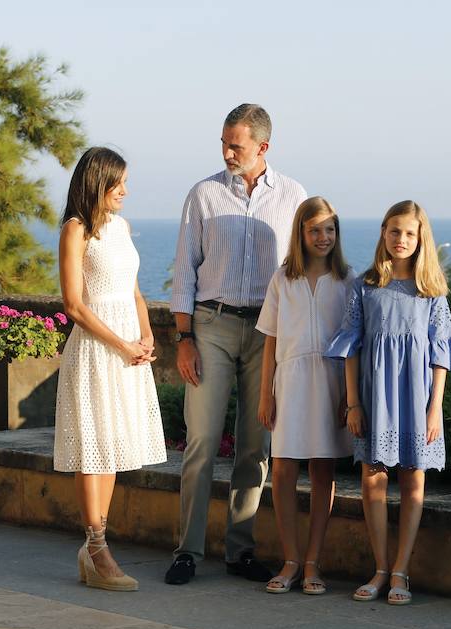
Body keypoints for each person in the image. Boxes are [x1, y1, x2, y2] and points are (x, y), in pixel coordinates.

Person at [166, 104, 307, 585]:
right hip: (212, 326)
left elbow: (302, 269)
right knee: (202, 441)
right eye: (224, 142)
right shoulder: (203, 194)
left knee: (255, 445)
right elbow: (184, 271)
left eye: (237, 145)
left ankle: (240, 551)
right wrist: (183, 339)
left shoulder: (293, 196)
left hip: (268, 335)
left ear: (263, 148)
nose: (227, 152)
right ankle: (187, 549)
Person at [325, 200, 451, 605]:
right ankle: (380, 569)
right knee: (372, 477)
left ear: (421, 237)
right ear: (383, 235)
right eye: (393, 231)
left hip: (417, 397)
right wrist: (354, 403)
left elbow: (441, 354)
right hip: (375, 397)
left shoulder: (432, 292)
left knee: (413, 479)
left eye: (409, 233)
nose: (400, 240)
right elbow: (350, 346)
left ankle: (402, 572)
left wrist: (435, 407)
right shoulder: (366, 285)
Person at [53, 147, 167, 591]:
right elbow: (74, 306)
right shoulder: (75, 230)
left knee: (115, 447)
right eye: (117, 182)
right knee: (94, 447)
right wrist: (121, 343)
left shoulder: (120, 228)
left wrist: (147, 337)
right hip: (96, 350)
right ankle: (96, 546)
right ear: (97, 182)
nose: (125, 190)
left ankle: (95, 548)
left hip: (128, 351)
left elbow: (134, 293)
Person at [256, 196, 354, 595]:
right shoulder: (283, 279)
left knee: (322, 470)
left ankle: (313, 562)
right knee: (281, 469)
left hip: (330, 381)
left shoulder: (348, 281)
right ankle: (290, 559)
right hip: (291, 381)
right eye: (314, 229)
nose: (323, 236)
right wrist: (266, 393)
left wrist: (348, 395)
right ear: (301, 233)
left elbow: (353, 344)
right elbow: (270, 342)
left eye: (329, 229)